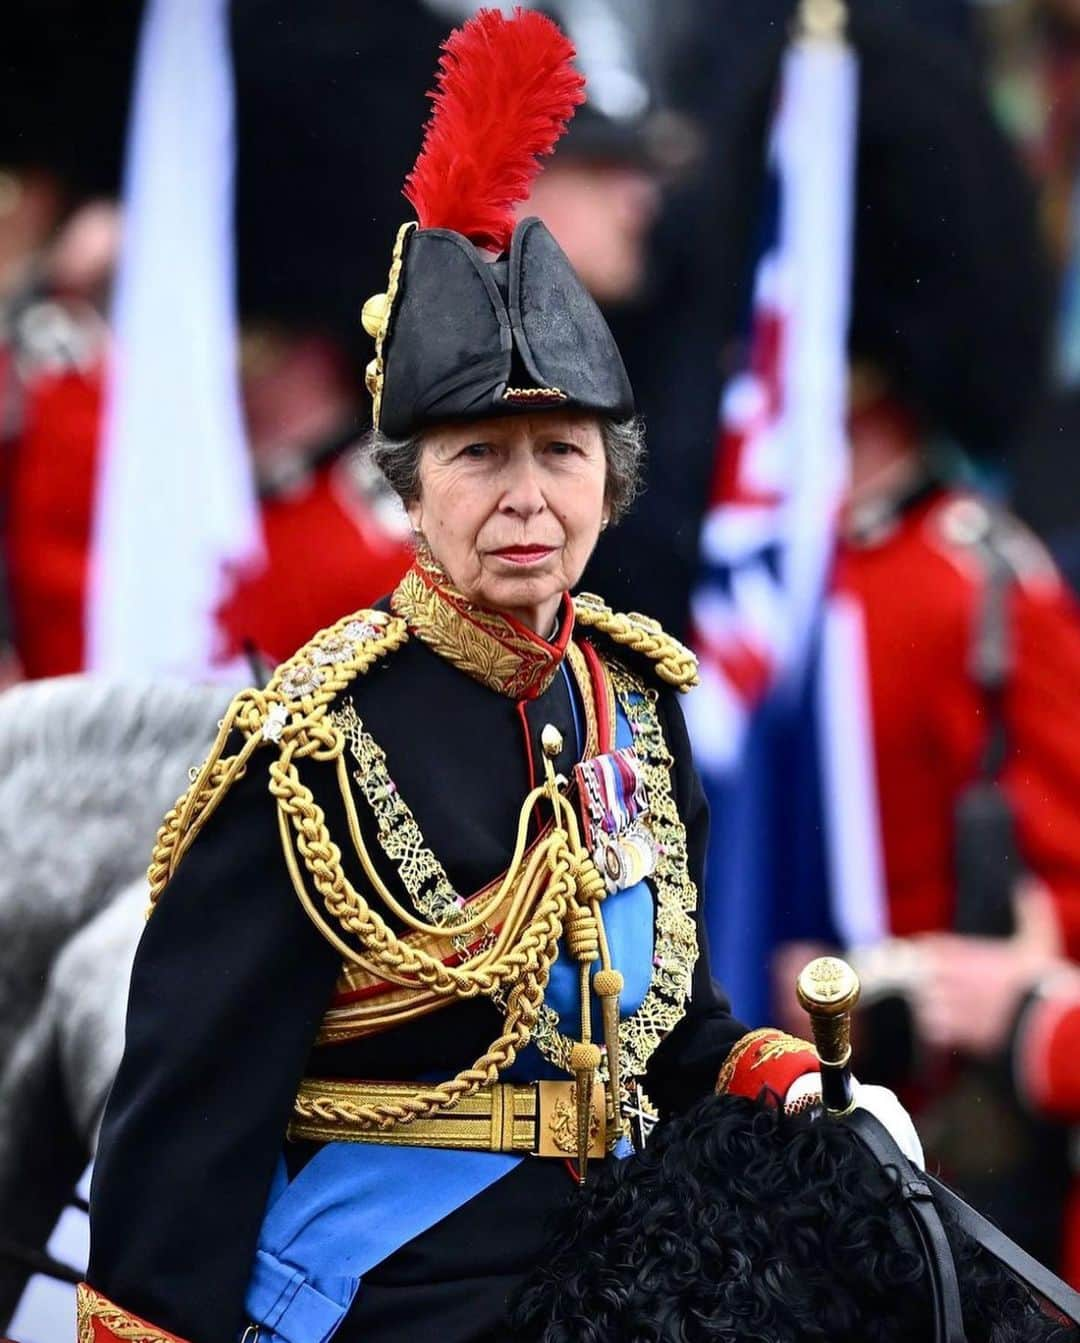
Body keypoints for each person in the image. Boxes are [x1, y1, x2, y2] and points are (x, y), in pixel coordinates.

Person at [81, 13, 923, 1343]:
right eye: (480, 455)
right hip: (377, 1308)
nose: (527, 497)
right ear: (414, 489)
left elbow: (671, 1028)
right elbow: (184, 1141)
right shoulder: (309, 751)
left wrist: (789, 1078)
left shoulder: (633, 708)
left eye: (561, 452)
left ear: (610, 479)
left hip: (620, 1286)